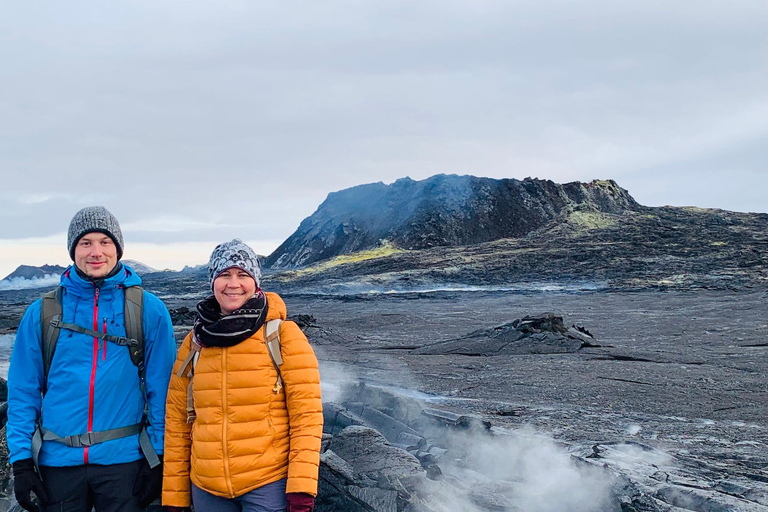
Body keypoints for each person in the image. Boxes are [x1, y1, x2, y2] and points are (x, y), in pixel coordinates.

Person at [6, 206, 177, 512]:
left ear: (118, 248)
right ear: (73, 250)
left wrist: (159, 457)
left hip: (124, 463)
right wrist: (21, 463)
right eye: (86, 243)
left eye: (105, 242)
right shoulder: (42, 314)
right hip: (58, 465)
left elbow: (163, 392)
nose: (96, 252)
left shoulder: (148, 311)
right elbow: (23, 391)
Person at [162, 239, 323, 512]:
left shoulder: (282, 335)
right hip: (206, 488)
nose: (233, 283)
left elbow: (306, 416)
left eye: (243, 275)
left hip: (267, 485)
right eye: (225, 274)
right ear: (213, 281)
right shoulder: (195, 342)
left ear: (255, 282)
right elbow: (177, 421)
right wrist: (175, 497)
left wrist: (301, 489)